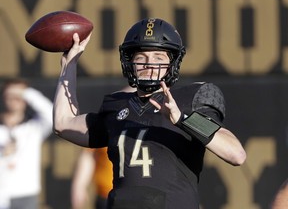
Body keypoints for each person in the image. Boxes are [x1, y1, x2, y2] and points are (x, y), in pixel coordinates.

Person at [53, 18, 247, 209]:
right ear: (130, 63)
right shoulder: (116, 106)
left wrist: (182, 119)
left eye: (158, 57)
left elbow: (236, 154)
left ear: (172, 64)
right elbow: (62, 123)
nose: (149, 64)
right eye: (141, 58)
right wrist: (68, 65)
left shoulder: (190, 99)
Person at [0, 78, 53, 209]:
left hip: (26, 193)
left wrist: (26, 93)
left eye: (18, 96)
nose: (14, 99)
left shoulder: (33, 128)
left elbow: (52, 115)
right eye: (10, 95)